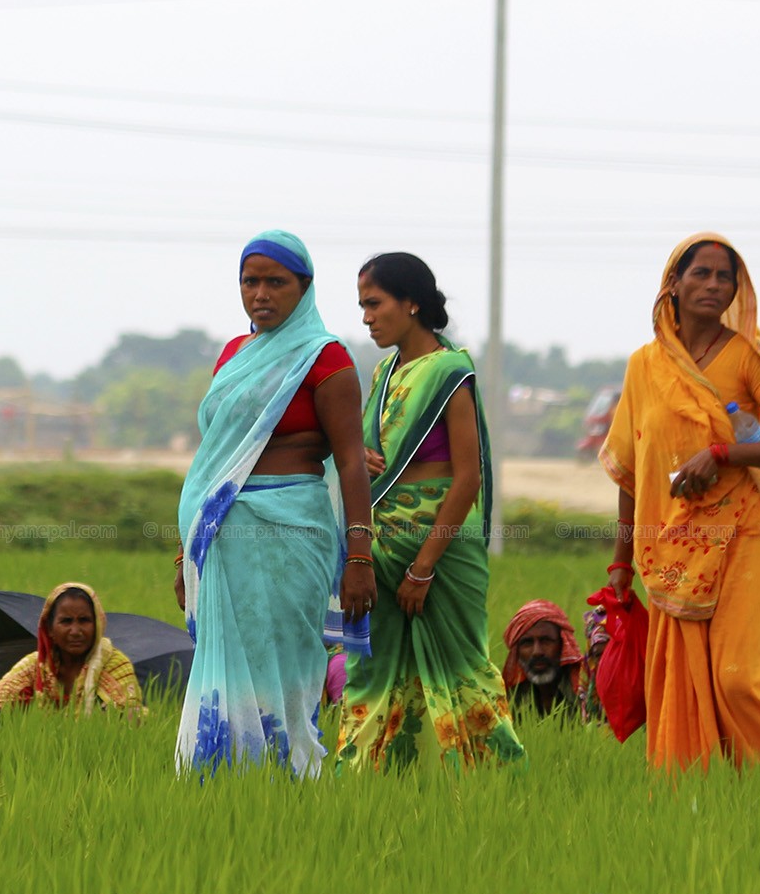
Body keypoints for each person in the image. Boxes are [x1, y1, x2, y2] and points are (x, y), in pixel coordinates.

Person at [602, 234, 760, 772]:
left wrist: (722, 454)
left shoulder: (746, 358)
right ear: (673, 283)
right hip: (673, 546)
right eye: (702, 274)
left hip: (747, 535)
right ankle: (712, 801)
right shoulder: (643, 366)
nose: (714, 285)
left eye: (726, 277)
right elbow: (632, 471)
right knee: (686, 683)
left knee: (740, 678)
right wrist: (621, 561)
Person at [172, 230, 375, 778]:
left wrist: (359, 557)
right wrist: (185, 553)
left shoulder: (325, 358)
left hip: (293, 533)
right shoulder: (233, 356)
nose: (261, 293)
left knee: (286, 663)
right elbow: (215, 457)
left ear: (303, 288)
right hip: (221, 536)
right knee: (221, 665)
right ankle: (218, 778)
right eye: (250, 281)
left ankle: (292, 780)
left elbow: (352, 461)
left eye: (275, 282)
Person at [337, 252, 524, 771]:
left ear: (412, 303)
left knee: (462, 670)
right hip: (380, 541)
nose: (367, 317)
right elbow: (376, 454)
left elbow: (468, 477)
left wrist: (424, 567)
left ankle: (493, 784)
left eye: (374, 304)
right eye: (362, 307)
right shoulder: (381, 374)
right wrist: (365, 458)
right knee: (373, 672)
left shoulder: (449, 372)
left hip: (438, 550)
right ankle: (369, 781)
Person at [0, 582, 146, 719]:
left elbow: (130, 718)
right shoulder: (35, 666)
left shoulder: (114, 664)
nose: (75, 631)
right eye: (66, 621)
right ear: (50, 629)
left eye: (84, 620)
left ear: (98, 624)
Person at [500, 600, 593, 719]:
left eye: (546, 641)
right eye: (527, 643)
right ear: (517, 651)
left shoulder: (584, 692)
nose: (537, 652)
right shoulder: (509, 700)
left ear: (563, 644)